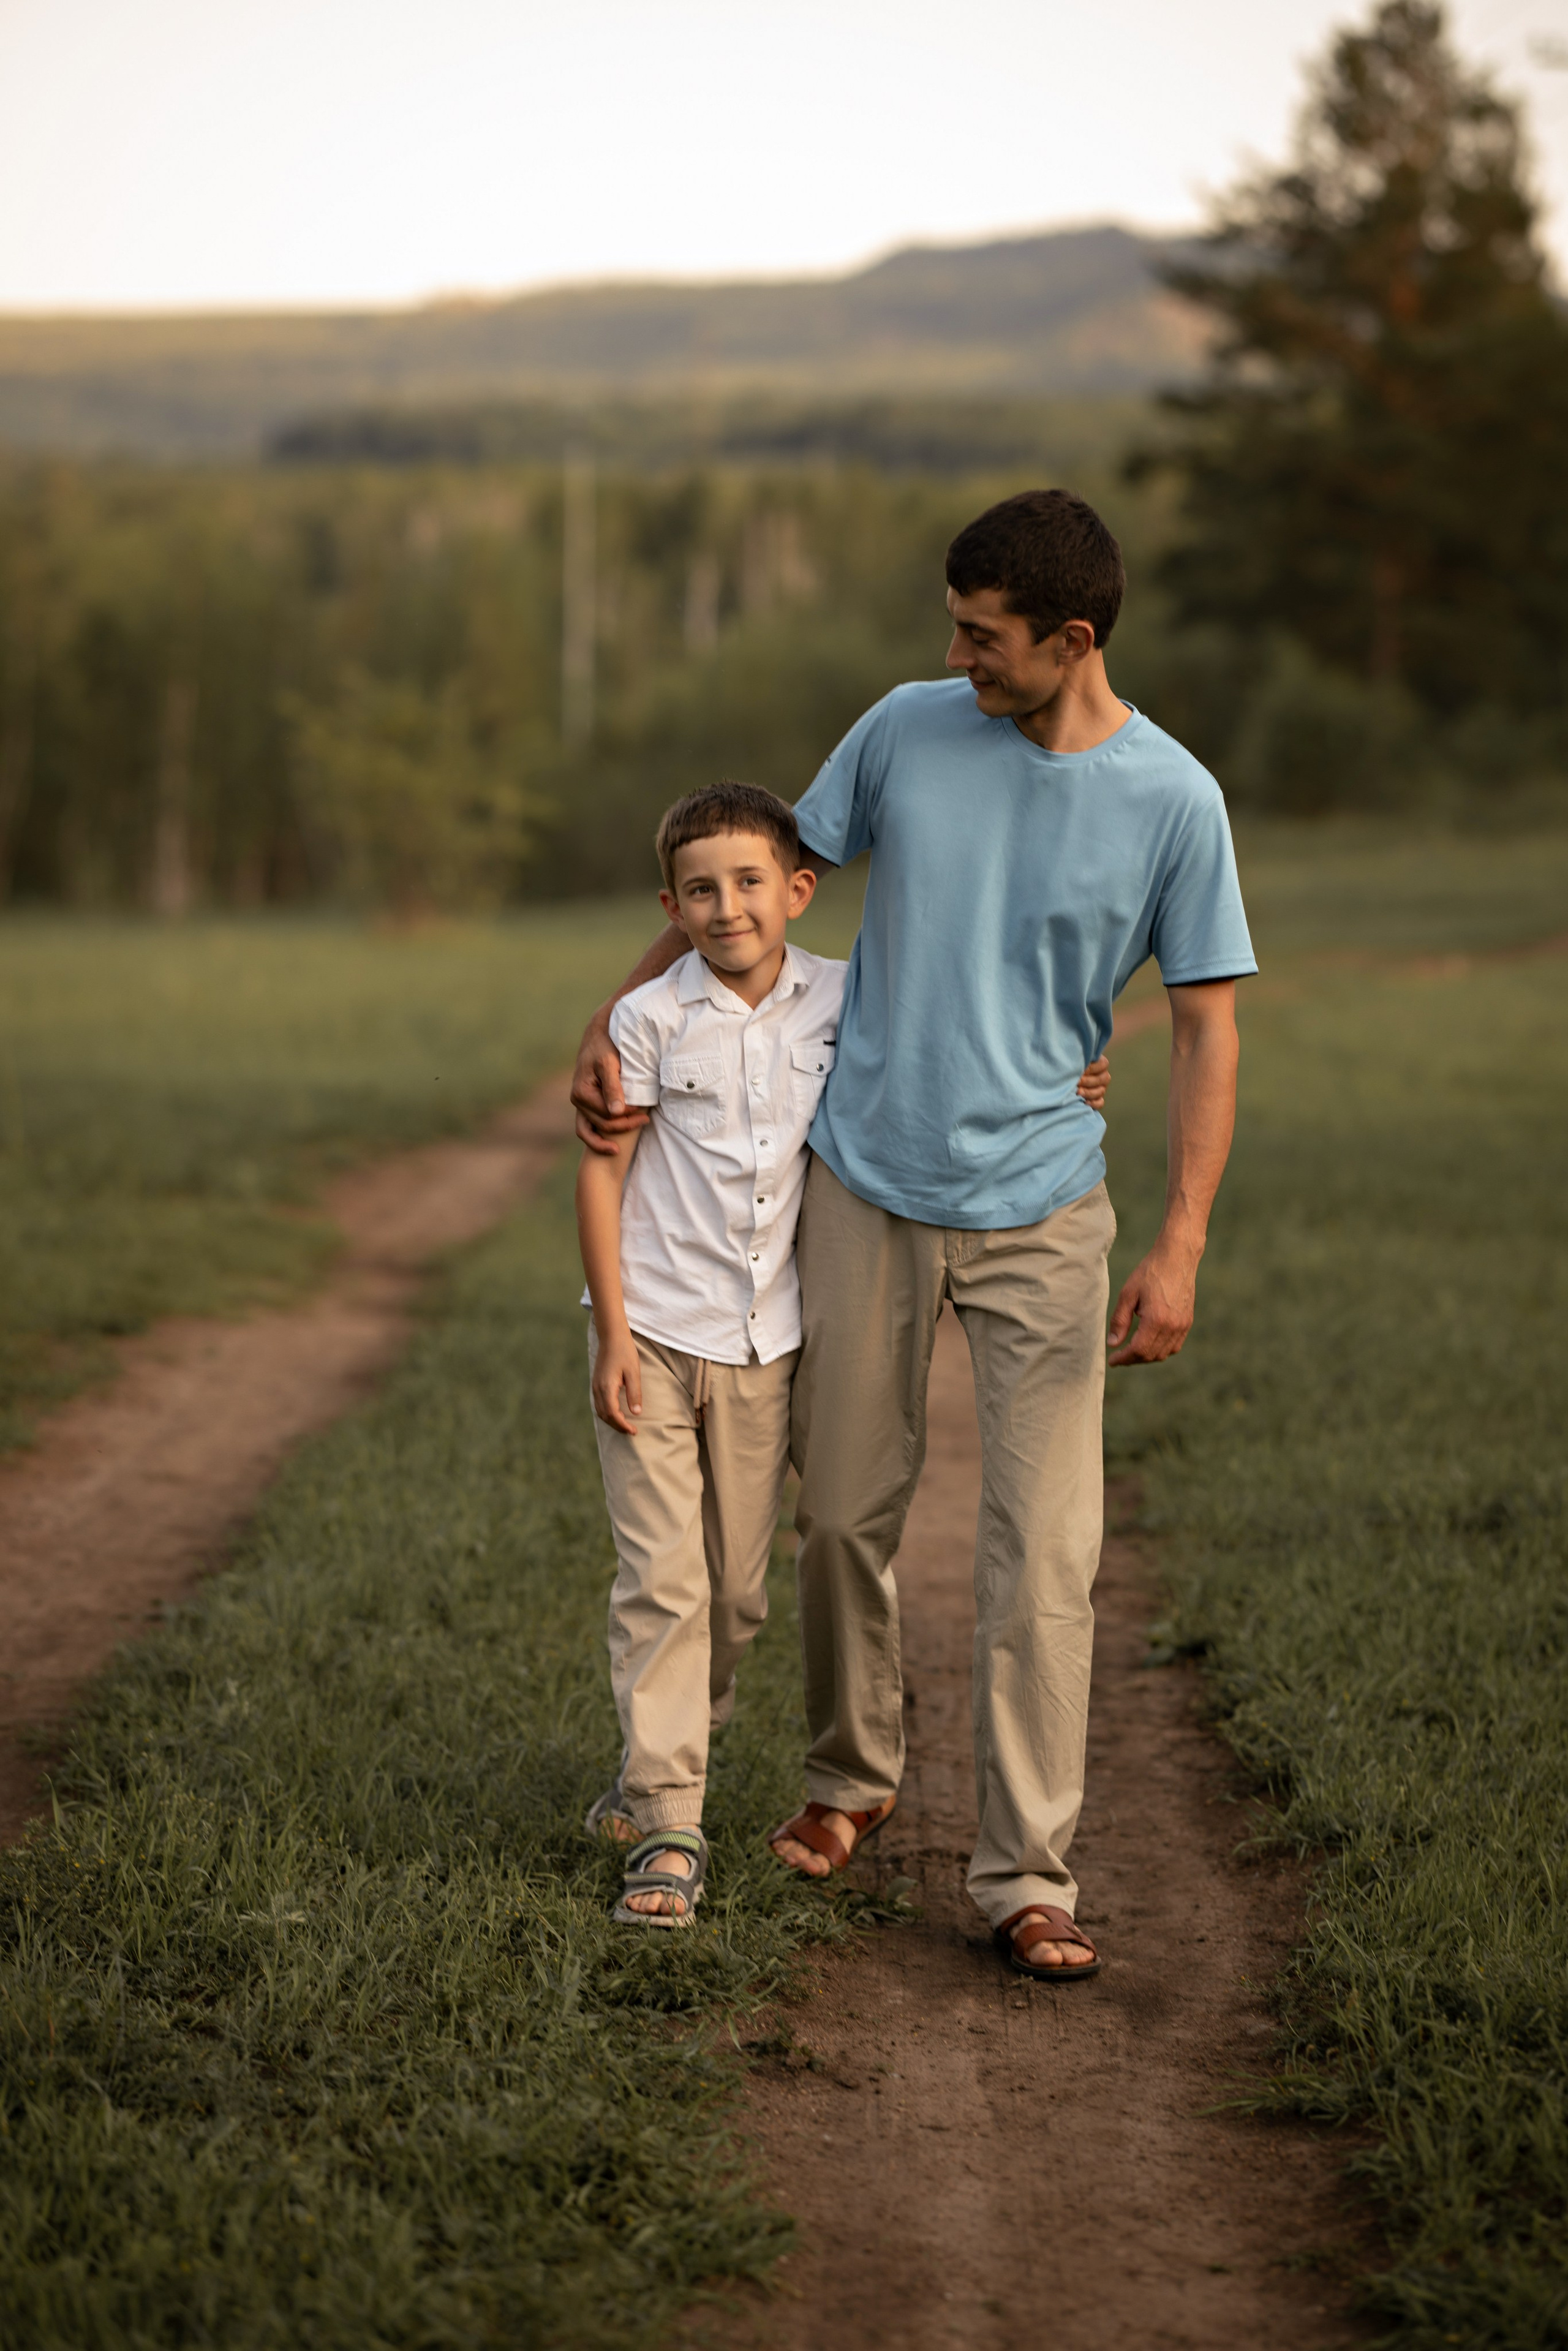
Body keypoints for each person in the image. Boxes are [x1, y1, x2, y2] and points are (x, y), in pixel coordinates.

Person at [573, 489, 1253, 1976]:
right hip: (864, 1186)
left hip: (1045, 1215)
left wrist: (1182, 1238)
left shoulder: (1171, 801)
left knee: (1042, 1547)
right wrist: (616, 1024)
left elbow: (1204, 1028)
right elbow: (743, 881)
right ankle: (850, 1776)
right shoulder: (902, 728)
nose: (955, 657)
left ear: (1069, 639)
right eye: (951, 626)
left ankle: (1025, 1872)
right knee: (839, 1517)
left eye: (981, 635)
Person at [576, 775, 1110, 1925]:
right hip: (658, 1333)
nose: (727, 909)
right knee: (666, 1582)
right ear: (669, 904)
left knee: (736, 1592)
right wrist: (611, 1328)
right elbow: (601, 1163)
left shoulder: (844, 993)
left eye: (751, 884)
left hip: (771, 1342)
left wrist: (1066, 1075)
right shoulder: (653, 1017)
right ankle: (670, 1823)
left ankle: (663, 1743)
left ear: (800, 891)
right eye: (701, 892)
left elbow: (952, 1034)